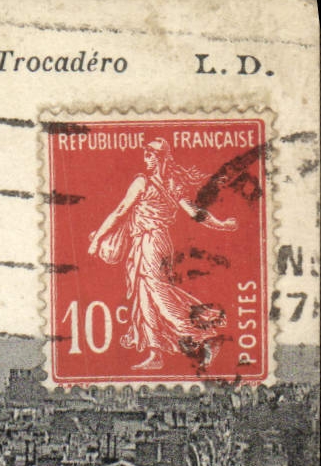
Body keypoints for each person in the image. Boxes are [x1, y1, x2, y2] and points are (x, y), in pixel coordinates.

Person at [87, 137, 240, 371]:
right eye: (145, 155)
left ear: (161, 158)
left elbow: (120, 211)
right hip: (149, 242)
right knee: (144, 297)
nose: (146, 159)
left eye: (150, 155)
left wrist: (97, 239)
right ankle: (155, 352)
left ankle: (204, 335)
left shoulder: (145, 182)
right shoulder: (170, 183)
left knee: (159, 294)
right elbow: (195, 213)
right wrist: (222, 224)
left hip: (152, 241)